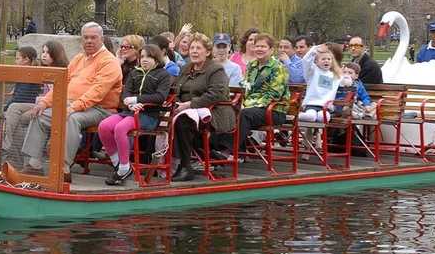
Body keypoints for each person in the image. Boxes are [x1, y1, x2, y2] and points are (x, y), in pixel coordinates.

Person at [21, 22, 122, 182]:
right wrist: (44, 103)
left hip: (100, 109)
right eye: (86, 37)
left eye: (93, 37)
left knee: (70, 118)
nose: (89, 41)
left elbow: (97, 93)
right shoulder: (79, 58)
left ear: (101, 39)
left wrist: (72, 108)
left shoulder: (109, 62)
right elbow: (61, 84)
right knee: (39, 115)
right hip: (72, 104)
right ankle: (34, 165)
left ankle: (63, 168)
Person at [98, 45, 172, 186]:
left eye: (149, 57)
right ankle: (118, 163)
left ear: (156, 59)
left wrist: (138, 100)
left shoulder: (163, 75)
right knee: (104, 126)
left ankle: (124, 168)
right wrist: (129, 103)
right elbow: (126, 93)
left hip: (149, 116)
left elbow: (160, 97)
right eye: (142, 56)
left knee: (120, 129)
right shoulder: (134, 73)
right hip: (130, 111)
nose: (144, 60)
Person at [171, 33, 233, 182]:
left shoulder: (216, 69)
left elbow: (216, 94)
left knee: (183, 122)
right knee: (165, 118)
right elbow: (176, 89)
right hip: (186, 109)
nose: (194, 51)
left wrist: (190, 104)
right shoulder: (187, 68)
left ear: (208, 51)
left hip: (214, 111)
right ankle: (165, 163)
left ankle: (185, 167)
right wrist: (178, 103)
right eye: (192, 48)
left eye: (198, 48)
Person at [237, 34, 291, 152]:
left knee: (244, 114)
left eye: (263, 46)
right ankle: (233, 150)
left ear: (271, 50)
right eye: (257, 46)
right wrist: (242, 102)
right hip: (252, 107)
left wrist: (249, 104)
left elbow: (274, 94)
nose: (259, 49)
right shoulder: (252, 65)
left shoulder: (278, 67)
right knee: (230, 111)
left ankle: (230, 151)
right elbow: (246, 85)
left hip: (273, 110)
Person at [0, 47, 45, 162]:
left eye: (17, 58)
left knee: (12, 108)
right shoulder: (22, 72)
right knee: (15, 120)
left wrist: (5, 108)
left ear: (26, 60)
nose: (15, 61)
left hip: (34, 104)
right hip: (24, 106)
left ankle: (4, 146)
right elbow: (17, 95)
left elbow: (20, 98)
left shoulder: (31, 73)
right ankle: (18, 157)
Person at [298, 44, 343, 123]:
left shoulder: (335, 75)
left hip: (326, 107)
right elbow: (305, 61)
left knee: (324, 117)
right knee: (311, 117)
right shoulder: (312, 72)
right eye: (323, 59)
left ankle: (317, 132)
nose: (326, 61)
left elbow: (345, 80)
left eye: (329, 59)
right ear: (316, 61)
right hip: (311, 104)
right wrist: (315, 49)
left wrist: (348, 79)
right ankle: (297, 116)